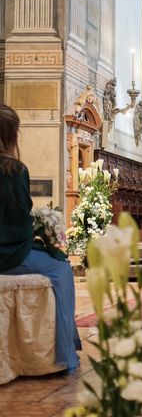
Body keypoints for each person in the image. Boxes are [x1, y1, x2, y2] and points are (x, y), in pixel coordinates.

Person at [0, 104, 81, 372]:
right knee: (60, 267)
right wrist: (37, 234)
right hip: (7, 255)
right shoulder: (13, 169)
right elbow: (18, 224)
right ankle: (65, 353)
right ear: (11, 135)